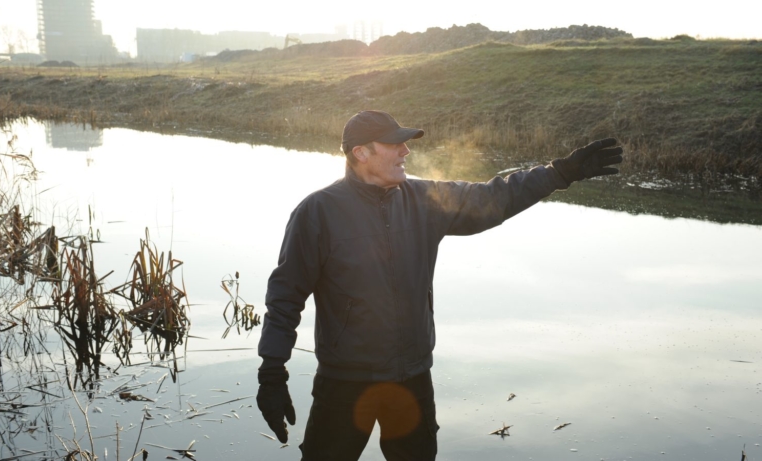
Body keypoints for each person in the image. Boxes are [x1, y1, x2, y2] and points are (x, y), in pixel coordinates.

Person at [256, 110, 623, 460]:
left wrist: (560, 173)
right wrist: (272, 373)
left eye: (405, 143)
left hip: (412, 378)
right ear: (361, 152)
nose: (406, 150)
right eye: (394, 144)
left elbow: (495, 196)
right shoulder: (318, 212)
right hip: (345, 383)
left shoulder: (425, 200)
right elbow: (285, 297)